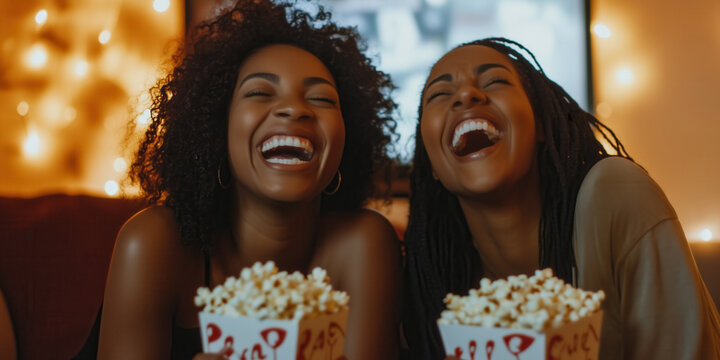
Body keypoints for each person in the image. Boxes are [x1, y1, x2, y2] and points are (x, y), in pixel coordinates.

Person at [94, 1, 402, 359]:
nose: (294, 109)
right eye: (259, 93)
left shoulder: (365, 242)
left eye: (321, 98)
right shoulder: (153, 243)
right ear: (216, 130)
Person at [402, 37, 720, 360]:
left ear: (541, 125)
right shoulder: (439, 282)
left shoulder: (613, 192)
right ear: (432, 166)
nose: (467, 94)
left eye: (495, 81)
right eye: (440, 95)